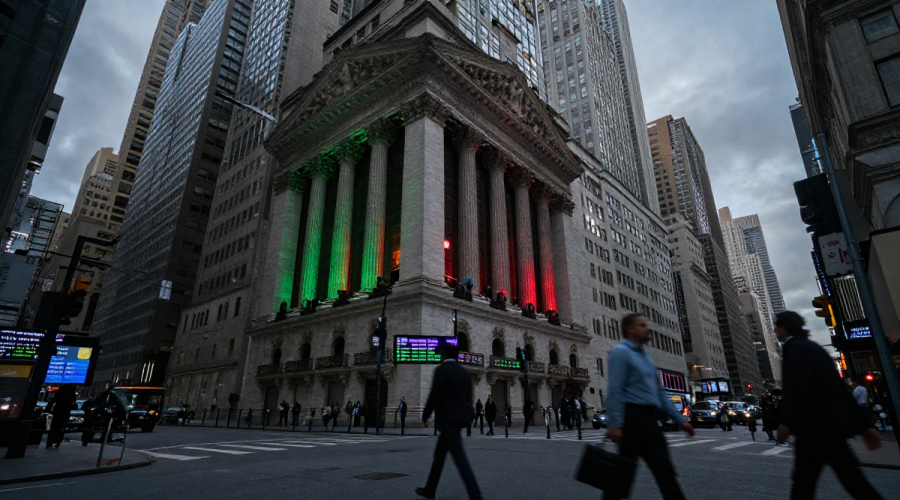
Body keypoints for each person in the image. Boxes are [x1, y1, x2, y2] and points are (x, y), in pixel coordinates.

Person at [774, 311, 884, 500]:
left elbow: (798, 388)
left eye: (776, 326)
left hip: (813, 430)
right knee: (854, 482)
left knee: (804, 484)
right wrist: (866, 426)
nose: (775, 330)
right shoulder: (814, 348)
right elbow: (840, 389)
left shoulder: (793, 348)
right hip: (833, 430)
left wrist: (786, 422)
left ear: (784, 327)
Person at [605, 313, 694, 500]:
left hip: (650, 422)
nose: (647, 329)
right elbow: (615, 390)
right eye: (642, 325)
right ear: (631, 330)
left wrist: (680, 420)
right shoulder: (620, 353)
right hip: (631, 421)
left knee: (665, 472)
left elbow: (659, 392)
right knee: (622, 477)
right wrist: (614, 425)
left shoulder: (645, 356)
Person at [416, 342, 482, 500]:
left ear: (444, 355)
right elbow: (468, 397)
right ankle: (430, 489)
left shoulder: (441, 370)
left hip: (447, 419)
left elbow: (434, 395)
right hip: (459, 418)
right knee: (439, 455)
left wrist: (426, 415)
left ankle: (476, 495)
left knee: (459, 457)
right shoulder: (464, 372)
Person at [46, 384, 77, 449]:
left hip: (57, 410)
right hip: (65, 411)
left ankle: (50, 443)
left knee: (54, 427)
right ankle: (57, 442)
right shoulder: (71, 393)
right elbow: (73, 402)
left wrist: (49, 407)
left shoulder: (60, 392)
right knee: (61, 428)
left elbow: (53, 400)